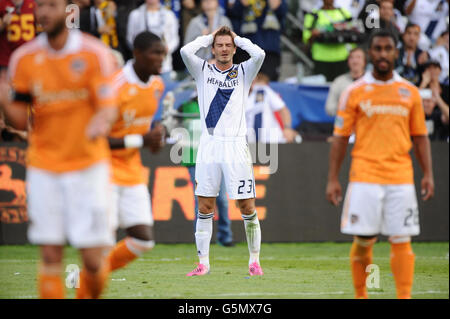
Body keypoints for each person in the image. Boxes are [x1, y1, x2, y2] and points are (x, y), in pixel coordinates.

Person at [0, 0, 118, 299]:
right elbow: (18, 117)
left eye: (51, 5)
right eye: (40, 5)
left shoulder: (94, 53)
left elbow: (108, 107)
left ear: (68, 11)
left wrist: (98, 123)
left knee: (92, 260)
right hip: (44, 168)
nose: (43, 12)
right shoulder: (24, 58)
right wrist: (5, 100)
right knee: (50, 255)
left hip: (87, 166)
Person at [326, 29, 435, 299]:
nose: (383, 54)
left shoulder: (410, 93)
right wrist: (332, 179)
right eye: (378, 49)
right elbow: (340, 138)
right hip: (364, 177)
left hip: (401, 179)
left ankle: (404, 296)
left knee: (402, 242)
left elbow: (420, 136)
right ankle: (362, 295)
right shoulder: (354, 91)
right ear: (370, 53)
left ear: (396, 53)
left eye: (388, 48)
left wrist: (428, 174)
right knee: (363, 241)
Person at [76, 31, 166, 298]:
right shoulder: (115, 87)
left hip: (132, 171)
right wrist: (142, 139)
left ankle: (84, 275)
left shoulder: (157, 86)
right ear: (137, 54)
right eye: (155, 53)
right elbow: (94, 138)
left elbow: (140, 128)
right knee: (102, 242)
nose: (161, 58)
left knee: (143, 241)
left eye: (163, 52)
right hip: (102, 170)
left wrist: (154, 138)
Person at [180, 26, 265, 276]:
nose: (224, 49)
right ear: (213, 48)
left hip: (236, 145)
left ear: (235, 48)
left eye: (229, 45)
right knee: (205, 205)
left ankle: (254, 261)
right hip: (209, 144)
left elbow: (259, 54)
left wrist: (237, 37)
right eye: (220, 45)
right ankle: (203, 264)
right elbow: (185, 50)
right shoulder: (202, 70)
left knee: (246, 206)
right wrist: (208, 37)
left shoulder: (244, 72)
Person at [179, 90, 235, 246]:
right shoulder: (184, 107)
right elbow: (171, 124)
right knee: (201, 201)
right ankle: (202, 238)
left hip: (217, 157)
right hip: (194, 159)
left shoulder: (219, 105)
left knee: (222, 200)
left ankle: (225, 237)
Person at [227, 0, 287, 81]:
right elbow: (233, 13)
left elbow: (280, 10)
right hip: (245, 51)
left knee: (268, 87)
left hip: (270, 51)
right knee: (244, 86)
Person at [303, 0, 354, 82]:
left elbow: (354, 34)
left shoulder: (344, 13)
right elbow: (306, 39)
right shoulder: (313, 15)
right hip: (321, 58)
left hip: (342, 58)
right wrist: (313, 34)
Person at [126, 0, 179, 76]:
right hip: (142, 66)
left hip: (165, 65)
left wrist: (167, 48)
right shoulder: (135, 15)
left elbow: (175, 39)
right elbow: (130, 38)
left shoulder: (169, 15)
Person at [246, 72, 298, 143]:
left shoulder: (262, 91)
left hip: (271, 141)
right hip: (249, 143)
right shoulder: (236, 96)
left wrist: (287, 128)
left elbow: (283, 110)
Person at [325, 47, 366, 116]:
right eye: (351, 58)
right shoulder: (339, 81)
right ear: (348, 62)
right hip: (345, 123)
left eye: (358, 57)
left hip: (366, 123)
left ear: (364, 61)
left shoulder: (372, 81)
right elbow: (329, 108)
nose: (355, 61)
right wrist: (345, 106)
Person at [0, 0, 37, 70]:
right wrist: (3, 24)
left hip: (28, 57)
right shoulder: (2, 4)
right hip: (6, 60)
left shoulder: (32, 4)